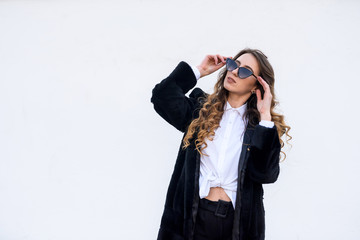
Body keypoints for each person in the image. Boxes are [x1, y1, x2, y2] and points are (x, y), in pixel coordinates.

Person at [150, 48, 292, 240]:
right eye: (233, 64)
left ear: (256, 86)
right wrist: (199, 70)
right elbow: (161, 96)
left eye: (244, 71)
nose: (234, 71)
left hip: (236, 226)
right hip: (190, 220)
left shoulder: (260, 129)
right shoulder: (200, 110)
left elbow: (266, 174)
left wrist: (265, 116)